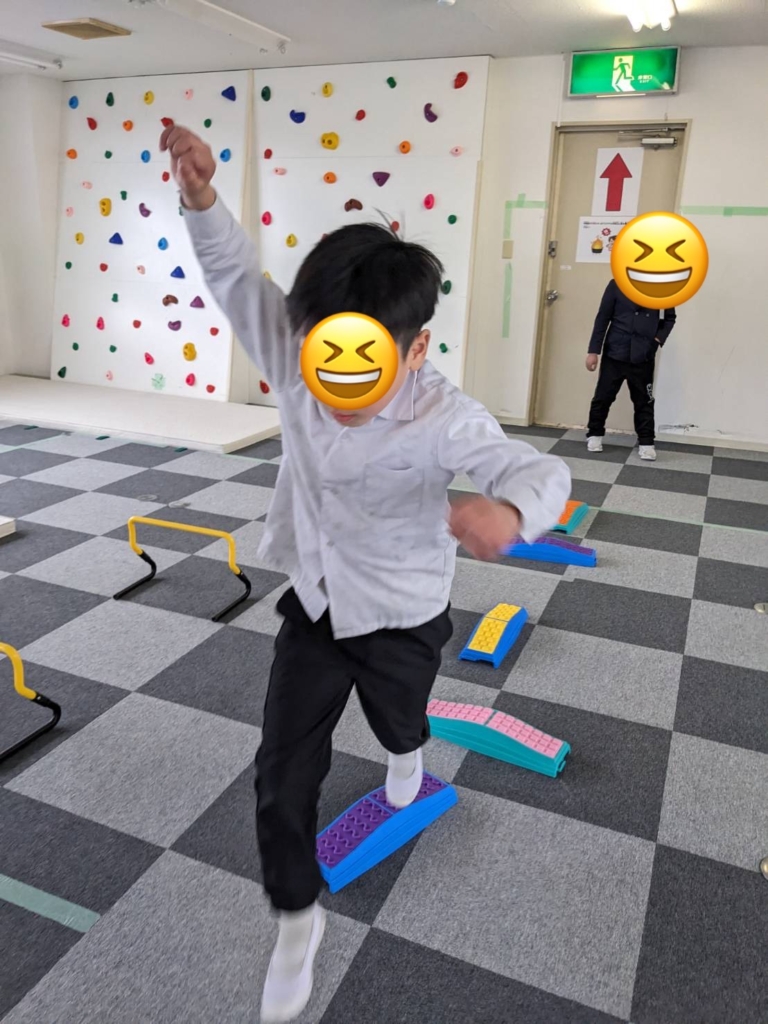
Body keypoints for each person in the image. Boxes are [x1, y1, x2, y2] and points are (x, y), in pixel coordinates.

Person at [162, 125, 571, 1024]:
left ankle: (406, 750)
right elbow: (236, 279)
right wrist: (200, 198)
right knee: (282, 774)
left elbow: (536, 470)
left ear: (414, 349)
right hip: (315, 606)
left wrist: (511, 513)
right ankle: (296, 919)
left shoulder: (443, 413)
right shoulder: (296, 360)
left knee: (399, 720)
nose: (335, 379)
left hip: (404, 612)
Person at [585, 278, 676, 460]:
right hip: (615, 352)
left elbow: (669, 319)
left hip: (643, 355)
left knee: (644, 401)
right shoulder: (616, 284)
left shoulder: (663, 288)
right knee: (603, 397)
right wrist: (593, 351)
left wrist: (656, 340)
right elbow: (602, 318)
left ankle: (646, 442)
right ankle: (594, 434)